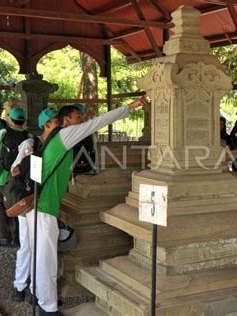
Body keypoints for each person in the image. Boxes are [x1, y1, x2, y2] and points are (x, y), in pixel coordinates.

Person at [14, 97, 147, 315]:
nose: (82, 120)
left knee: (39, 254)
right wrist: (129, 107)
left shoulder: (48, 141)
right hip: (44, 209)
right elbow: (99, 122)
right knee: (46, 259)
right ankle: (47, 307)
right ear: (66, 121)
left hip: (37, 206)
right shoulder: (65, 135)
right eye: (78, 117)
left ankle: (37, 295)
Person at [9, 108, 60, 303]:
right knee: (27, 247)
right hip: (26, 204)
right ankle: (19, 285)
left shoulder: (50, 145)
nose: (60, 124)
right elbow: (16, 169)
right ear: (45, 125)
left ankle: (35, 290)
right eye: (56, 121)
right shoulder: (30, 144)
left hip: (38, 202)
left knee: (36, 248)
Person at [0, 107, 30, 246]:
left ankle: (5, 236)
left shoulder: (3, 132)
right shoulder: (29, 136)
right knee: (19, 205)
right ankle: (19, 237)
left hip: (4, 177)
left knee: (1, 205)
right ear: (23, 121)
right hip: (22, 179)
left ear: (10, 120)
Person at [70, 104, 98, 176]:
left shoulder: (68, 131)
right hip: (88, 167)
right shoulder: (88, 130)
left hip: (73, 170)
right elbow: (94, 149)